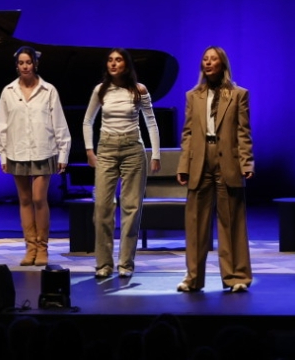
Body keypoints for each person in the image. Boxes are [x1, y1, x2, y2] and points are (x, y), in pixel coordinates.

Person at [177, 47, 253, 292]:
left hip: (227, 160)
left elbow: (243, 131)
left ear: (222, 64)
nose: (208, 63)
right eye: (205, 59)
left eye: (213, 59)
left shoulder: (238, 94)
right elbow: (187, 133)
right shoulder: (193, 95)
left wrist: (247, 161)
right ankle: (193, 278)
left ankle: (236, 277)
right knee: (196, 222)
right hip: (200, 160)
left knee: (231, 220)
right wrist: (183, 164)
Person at [83, 49, 161, 279]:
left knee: (131, 208)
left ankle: (126, 263)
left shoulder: (139, 90)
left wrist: (155, 154)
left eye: (118, 60)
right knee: (102, 208)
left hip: (132, 150)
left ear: (126, 65)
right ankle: (103, 264)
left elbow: (151, 122)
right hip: (106, 148)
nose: (113, 63)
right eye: (110, 60)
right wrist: (89, 150)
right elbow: (88, 120)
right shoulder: (101, 90)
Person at [0, 46, 70, 267]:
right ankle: (30, 248)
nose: (25, 66)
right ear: (16, 66)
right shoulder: (8, 91)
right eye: (21, 63)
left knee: (39, 198)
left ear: (35, 64)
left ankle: (43, 247)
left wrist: (63, 151)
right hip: (17, 151)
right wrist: (3, 155)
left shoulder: (49, 90)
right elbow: (1, 125)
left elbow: (59, 122)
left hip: (43, 150)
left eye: (28, 62)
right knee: (25, 199)